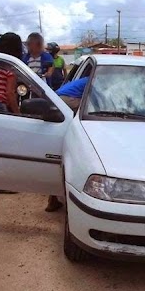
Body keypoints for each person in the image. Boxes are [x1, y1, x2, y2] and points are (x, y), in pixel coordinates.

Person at [45, 76, 91, 213]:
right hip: (65, 99)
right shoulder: (94, 79)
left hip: (58, 98)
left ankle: (53, 200)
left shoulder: (83, 79)